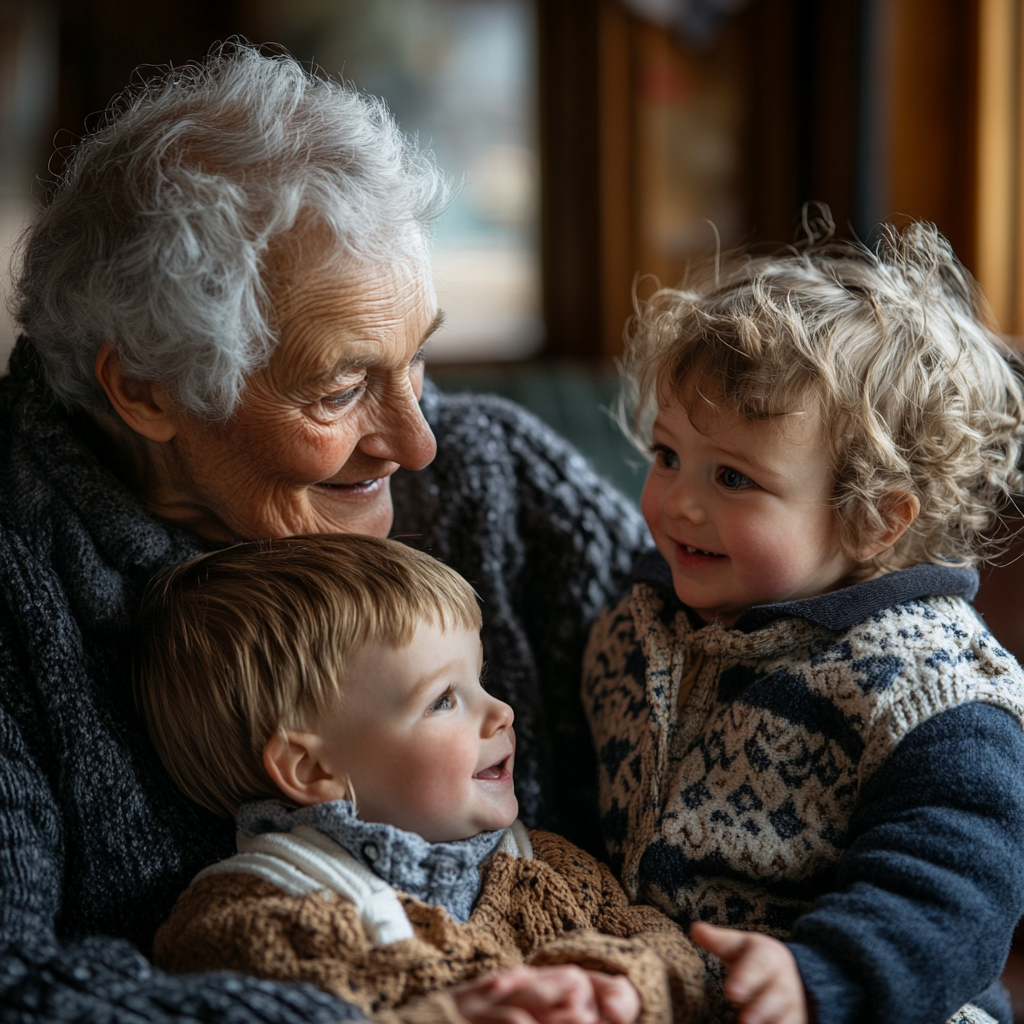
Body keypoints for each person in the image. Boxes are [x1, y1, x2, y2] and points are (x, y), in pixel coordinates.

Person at [0, 44, 648, 1022]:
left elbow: (782, 703)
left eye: (417, 360)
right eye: (340, 389)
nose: (418, 441)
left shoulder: (496, 486)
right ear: (142, 389)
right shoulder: (18, 595)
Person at [582, 222, 1024, 1024]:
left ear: (875, 521)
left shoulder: (937, 693)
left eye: (733, 477)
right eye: (667, 454)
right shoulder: (632, 625)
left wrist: (817, 977)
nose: (678, 500)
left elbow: (956, 892)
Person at [134, 534, 707, 1024]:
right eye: (443, 700)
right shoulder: (250, 918)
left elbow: (679, 957)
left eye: (481, 680)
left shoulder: (549, 867)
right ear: (313, 769)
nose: (501, 710)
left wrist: (627, 986)